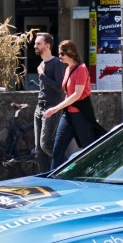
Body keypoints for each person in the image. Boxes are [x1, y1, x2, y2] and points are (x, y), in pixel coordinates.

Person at [45, 40, 103, 168]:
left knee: (89, 149)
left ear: (70, 53)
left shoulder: (81, 68)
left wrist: (55, 108)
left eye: (62, 53)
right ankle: (55, 181)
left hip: (81, 114)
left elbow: (77, 94)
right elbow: (67, 93)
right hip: (68, 115)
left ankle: (95, 174)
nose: (59, 56)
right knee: (57, 150)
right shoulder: (68, 69)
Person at [31, 32, 66, 172]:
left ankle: (69, 166)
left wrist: (42, 76)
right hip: (39, 108)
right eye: (35, 43)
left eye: (38, 43)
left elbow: (59, 88)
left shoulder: (56, 63)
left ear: (47, 46)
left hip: (51, 108)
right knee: (39, 150)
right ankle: (45, 176)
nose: (35, 46)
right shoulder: (41, 63)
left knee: (45, 145)